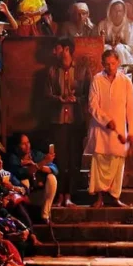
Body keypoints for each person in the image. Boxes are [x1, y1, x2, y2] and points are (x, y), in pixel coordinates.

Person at [86, 49, 133, 208]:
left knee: (117, 163)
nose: (110, 67)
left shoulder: (125, 81)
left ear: (118, 63)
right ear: (103, 64)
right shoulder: (97, 80)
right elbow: (92, 105)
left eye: (113, 63)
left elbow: (131, 107)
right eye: (107, 64)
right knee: (100, 162)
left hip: (119, 130)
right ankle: (100, 197)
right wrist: (106, 120)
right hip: (101, 129)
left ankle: (115, 196)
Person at [46, 37, 89, 209]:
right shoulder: (52, 71)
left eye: (57, 48)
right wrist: (60, 99)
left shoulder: (81, 70)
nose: (55, 52)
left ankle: (70, 196)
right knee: (61, 160)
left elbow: (88, 94)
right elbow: (46, 95)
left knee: (74, 159)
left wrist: (76, 99)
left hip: (76, 119)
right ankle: (60, 196)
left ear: (66, 50)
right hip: (58, 120)